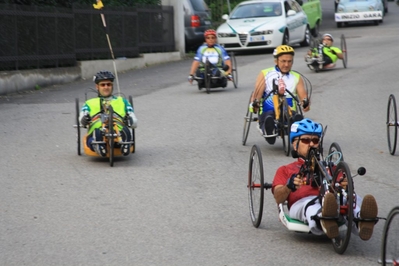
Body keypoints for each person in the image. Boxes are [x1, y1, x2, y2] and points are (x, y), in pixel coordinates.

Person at [272, 118, 378, 240]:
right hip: (302, 202)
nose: (311, 144)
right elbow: (278, 197)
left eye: (315, 140)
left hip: (332, 199)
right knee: (311, 206)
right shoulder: (285, 170)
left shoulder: (331, 167)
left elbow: (344, 189)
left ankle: (362, 221)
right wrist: (289, 186)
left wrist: (345, 185)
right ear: (295, 145)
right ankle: (324, 219)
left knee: (349, 199)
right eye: (306, 140)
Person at [249, 45, 310, 145]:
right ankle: (269, 129)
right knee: (269, 117)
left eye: (289, 61)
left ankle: (296, 125)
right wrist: (254, 104)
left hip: (289, 111)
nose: (286, 64)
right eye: (283, 61)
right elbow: (257, 96)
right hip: (268, 110)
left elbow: (303, 96)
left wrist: (305, 103)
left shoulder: (297, 77)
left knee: (294, 116)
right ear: (276, 61)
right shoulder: (265, 74)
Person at [79, 70, 138, 157]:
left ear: (112, 86)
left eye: (108, 84)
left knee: (125, 132)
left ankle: (125, 144)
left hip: (118, 129)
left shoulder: (122, 101)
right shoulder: (89, 103)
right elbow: (81, 119)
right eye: (103, 85)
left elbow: (134, 121)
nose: (106, 87)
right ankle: (98, 145)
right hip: (97, 127)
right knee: (96, 134)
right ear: (97, 87)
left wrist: (130, 120)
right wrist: (84, 120)